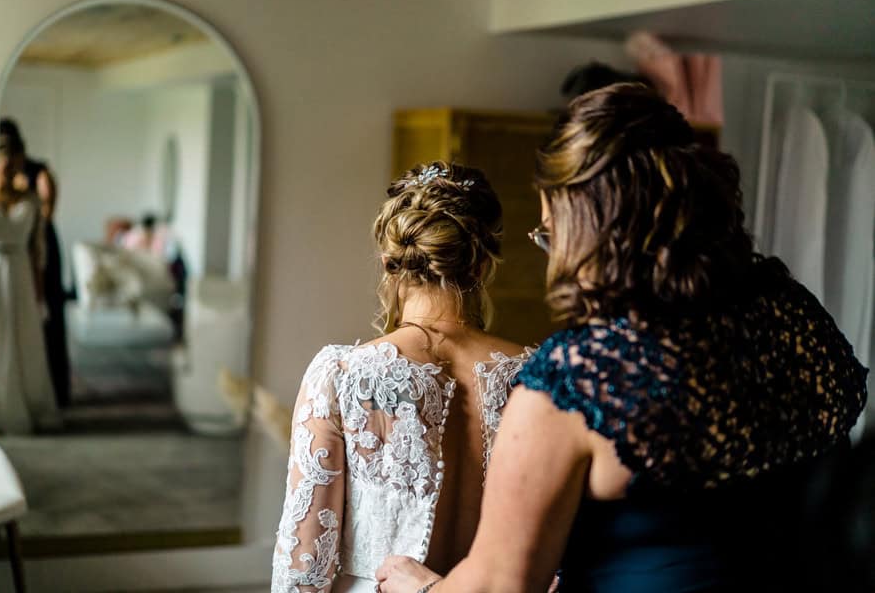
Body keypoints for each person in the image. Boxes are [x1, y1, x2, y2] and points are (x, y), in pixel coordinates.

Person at [376, 84, 868, 593]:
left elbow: (502, 586)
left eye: (550, 233)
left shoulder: (576, 380)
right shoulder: (795, 325)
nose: (555, 258)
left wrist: (423, 588)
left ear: (590, 227)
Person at [270, 162, 532, 592]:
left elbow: (302, 571)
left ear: (389, 263)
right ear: (483, 266)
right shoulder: (536, 375)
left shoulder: (341, 375)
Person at [0, 126, 61, 434]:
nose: (7, 170)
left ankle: (31, 406)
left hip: (19, 270)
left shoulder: (31, 200)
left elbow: (37, 250)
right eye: (2, 163)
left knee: (25, 339)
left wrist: (39, 291)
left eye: (12, 163)